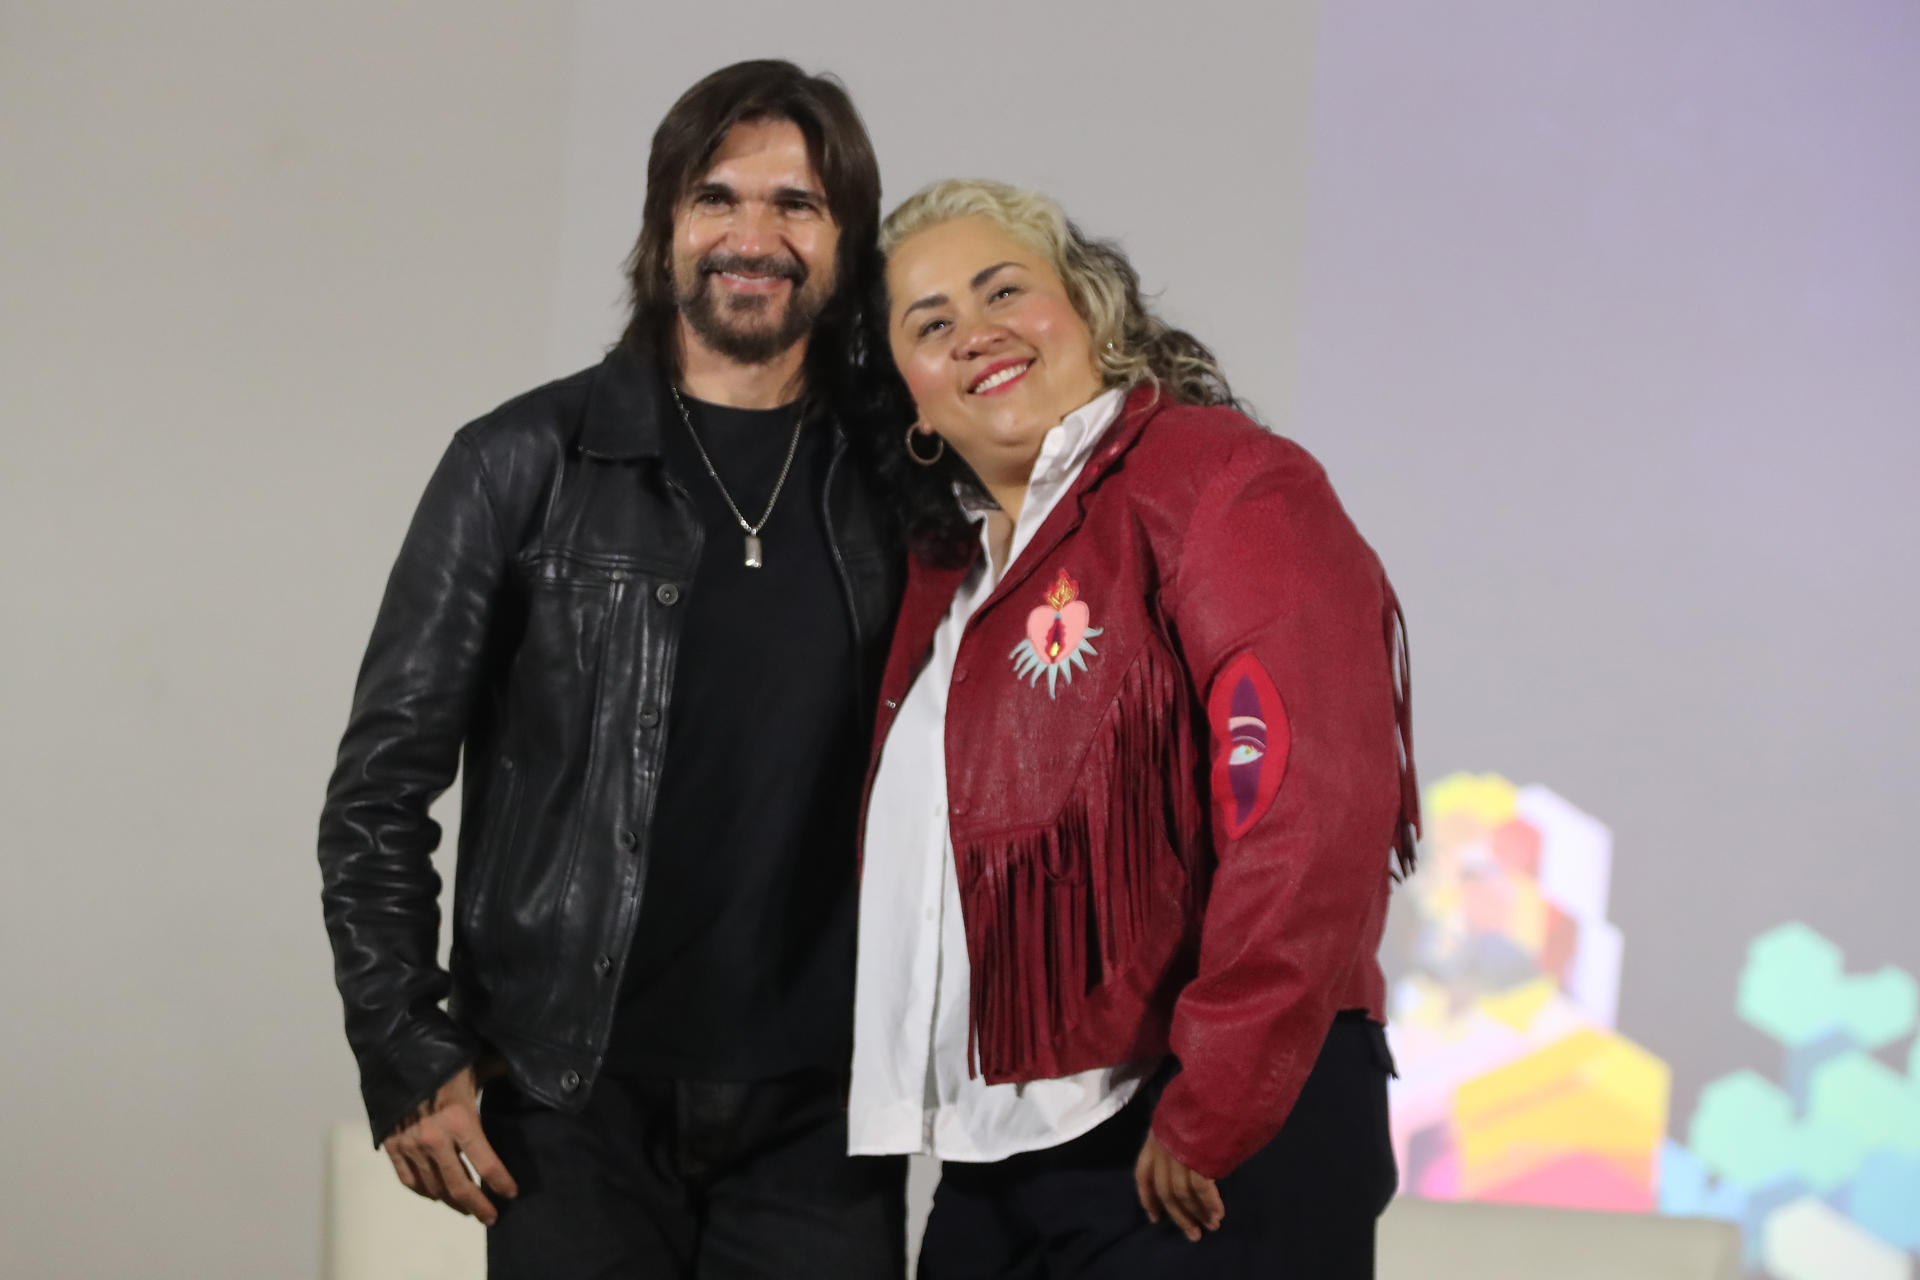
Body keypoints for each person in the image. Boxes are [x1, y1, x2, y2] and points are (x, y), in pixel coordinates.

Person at [317, 60, 906, 1279]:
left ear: (847, 241)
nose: (756, 237)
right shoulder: (520, 461)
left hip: (825, 1111)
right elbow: (378, 789)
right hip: (572, 1101)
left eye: (797, 205)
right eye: (717, 197)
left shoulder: (900, 480)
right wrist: (406, 1048)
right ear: (664, 227)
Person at [847, 180, 1420, 1278]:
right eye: (930, 324)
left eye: (1003, 288)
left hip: (1208, 1129)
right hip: (1007, 1151)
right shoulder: (945, 576)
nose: (977, 333)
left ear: (1091, 307)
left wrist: (1218, 1093)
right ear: (912, 399)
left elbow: (1312, 805)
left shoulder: (1221, 480)